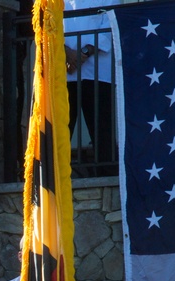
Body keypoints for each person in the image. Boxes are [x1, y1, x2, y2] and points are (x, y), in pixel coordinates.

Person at [64, 0, 118, 176]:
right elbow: (47, 25)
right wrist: (66, 53)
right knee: (61, 132)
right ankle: (57, 182)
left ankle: (108, 179)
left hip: (98, 74)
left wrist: (83, 54)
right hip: (63, 74)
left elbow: (110, 25)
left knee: (102, 133)